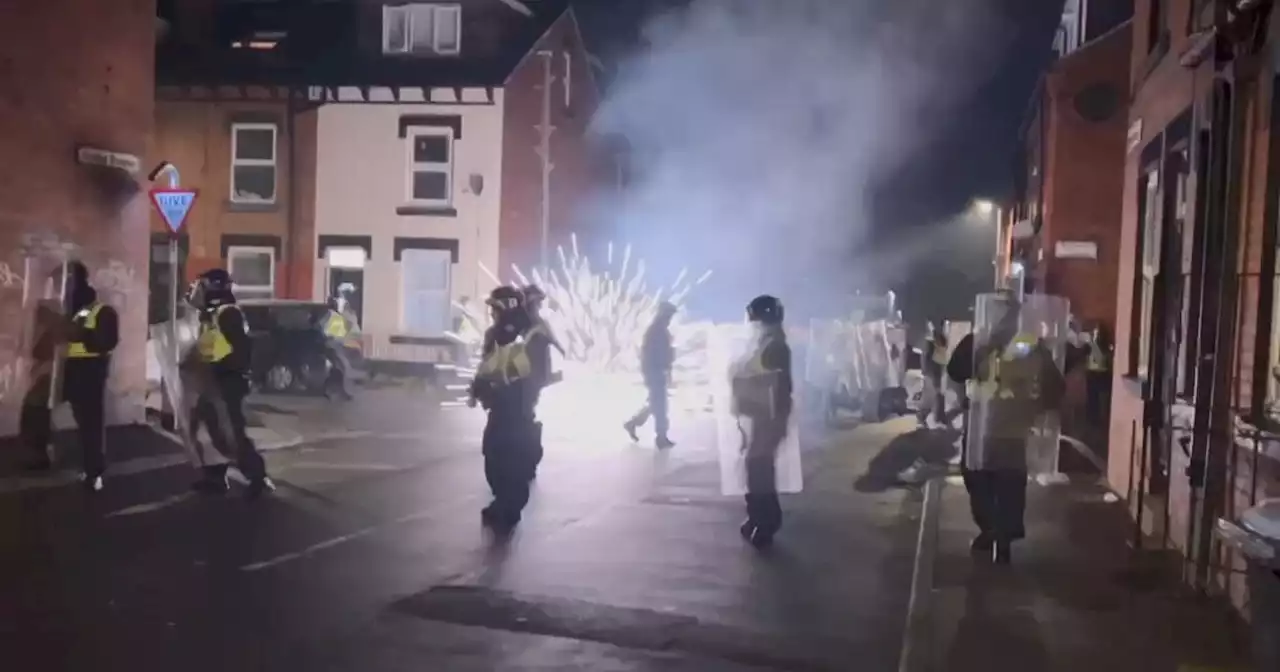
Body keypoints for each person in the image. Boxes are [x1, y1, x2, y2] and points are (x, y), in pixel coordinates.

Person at [962, 301, 1065, 564]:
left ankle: (997, 535)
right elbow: (958, 370)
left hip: (993, 428)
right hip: (997, 428)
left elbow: (1053, 383)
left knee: (992, 481)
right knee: (1000, 482)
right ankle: (998, 535)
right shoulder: (1003, 346)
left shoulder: (1009, 347)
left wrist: (1040, 407)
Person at [21, 261, 119, 492]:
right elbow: (40, 349)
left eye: (61, 281)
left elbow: (106, 341)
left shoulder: (101, 310)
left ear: (75, 281)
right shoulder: (58, 309)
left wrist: (71, 329)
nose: (57, 286)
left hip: (89, 371)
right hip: (62, 368)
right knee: (35, 402)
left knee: (90, 423)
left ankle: (93, 471)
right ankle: (39, 452)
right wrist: (42, 331)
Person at [187, 269, 274, 497]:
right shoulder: (212, 315)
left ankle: (257, 475)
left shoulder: (228, 314)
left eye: (201, 286)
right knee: (208, 429)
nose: (197, 291)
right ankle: (215, 476)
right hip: (213, 381)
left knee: (232, 433)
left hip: (227, 383)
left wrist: (223, 372)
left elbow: (240, 352)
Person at [470, 286, 550, 531]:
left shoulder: (530, 332)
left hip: (517, 406)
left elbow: (539, 370)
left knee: (512, 456)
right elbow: (487, 364)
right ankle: (502, 501)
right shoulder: (496, 333)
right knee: (494, 453)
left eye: (495, 308)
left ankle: (510, 505)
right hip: (502, 405)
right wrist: (478, 389)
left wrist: (524, 393)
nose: (492, 313)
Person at [732, 294, 793, 548]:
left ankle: (767, 522)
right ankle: (757, 516)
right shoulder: (766, 342)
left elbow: (775, 383)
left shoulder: (775, 345)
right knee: (754, 466)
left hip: (770, 415)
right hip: (761, 414)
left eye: (755, 318)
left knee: (760, 469)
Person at [624, 301, 679, 448]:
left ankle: (633, 423)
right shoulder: (656, 330)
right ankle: (661, 437)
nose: (670, 318)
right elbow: (649, 354)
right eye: (669, 315)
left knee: (655, 404)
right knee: (660, 405)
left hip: (656, 371)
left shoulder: (659, 330)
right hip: (654, 372)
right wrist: (653, 373)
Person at [322, 289, 356, 401]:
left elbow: (343, 330)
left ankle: (334, 391)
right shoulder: (330, 315)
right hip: (332, 346)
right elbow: (324, 329)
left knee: (339, 369)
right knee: (342, 368)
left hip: (336, 345)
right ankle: (339, 391)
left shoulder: (336, 316)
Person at [916, 322, 949, 428]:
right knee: (930, 396)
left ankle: (938, 418)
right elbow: (927, 359)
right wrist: (927, 373)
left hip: (936, 371)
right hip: (932, 373)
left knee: (938, 395)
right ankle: (922, 418)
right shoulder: (930, 343)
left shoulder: (935, 341)